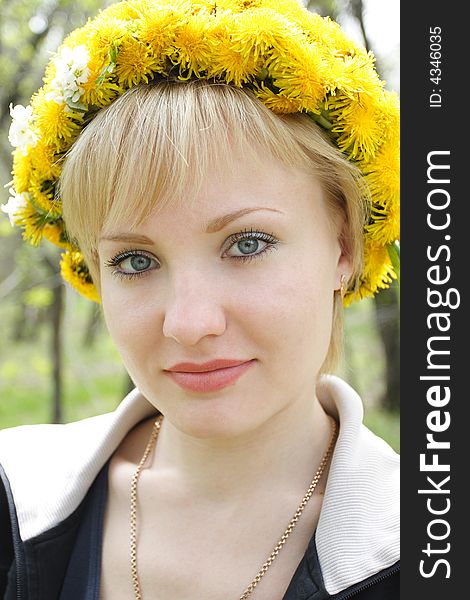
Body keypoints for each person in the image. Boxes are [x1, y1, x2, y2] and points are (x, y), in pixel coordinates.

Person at [0, 0, 400, 598]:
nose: (190, 324)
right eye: (136, 261)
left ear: (343, 246)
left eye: (248, 244)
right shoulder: (15, 493)